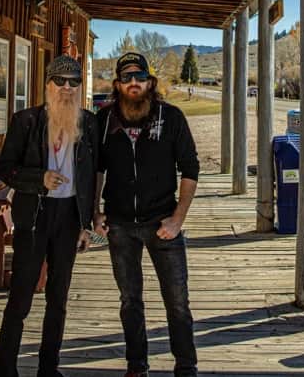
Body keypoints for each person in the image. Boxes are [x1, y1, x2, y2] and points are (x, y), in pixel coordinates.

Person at [94, 52, 200, 377]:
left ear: (150, 82)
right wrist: (95, 212)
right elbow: (97, 169)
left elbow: (190, 168)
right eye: (126, 77)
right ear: (117, 85)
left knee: (177, 300)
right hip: (120, 224)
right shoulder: (104, 121)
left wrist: (178, 219)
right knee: (130, 300)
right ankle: (136, 365)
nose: (134, 83)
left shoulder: (171, 117)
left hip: (162, 222)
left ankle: (186, 367)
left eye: (140, 77)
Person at [0, 55, 98, 377]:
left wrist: (86, 225)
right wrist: (39, 178)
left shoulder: (89, 124)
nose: (67, 87)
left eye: (74, 82)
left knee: (58, 299)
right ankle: (4, 370)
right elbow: (4, 168)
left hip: (69, 217)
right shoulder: (26, 121)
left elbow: (93, 176)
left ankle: (48, 369)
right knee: (20, 297)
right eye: (60, 81)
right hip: (34, 215)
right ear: (48, 84)